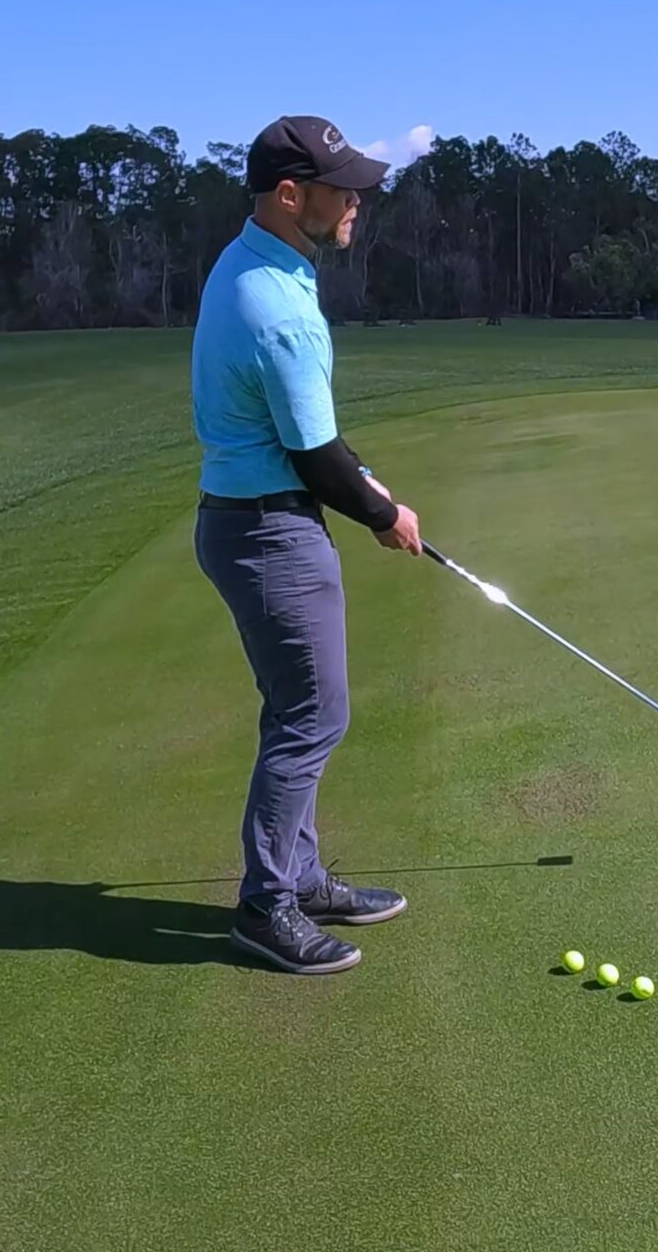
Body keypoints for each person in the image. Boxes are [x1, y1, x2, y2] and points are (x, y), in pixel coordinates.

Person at [189, 115, 422, 974]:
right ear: (293, 196)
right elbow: (315, 456)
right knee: (313, 716)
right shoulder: (278, 307)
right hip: (269, 530)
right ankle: (267, 905)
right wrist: (380, 513)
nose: (358, 199)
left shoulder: (252, 262)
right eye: (343, 186)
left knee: (297, 708)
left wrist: (366, 485)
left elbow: (313, 437)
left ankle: (302, 873)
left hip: (246, 517)